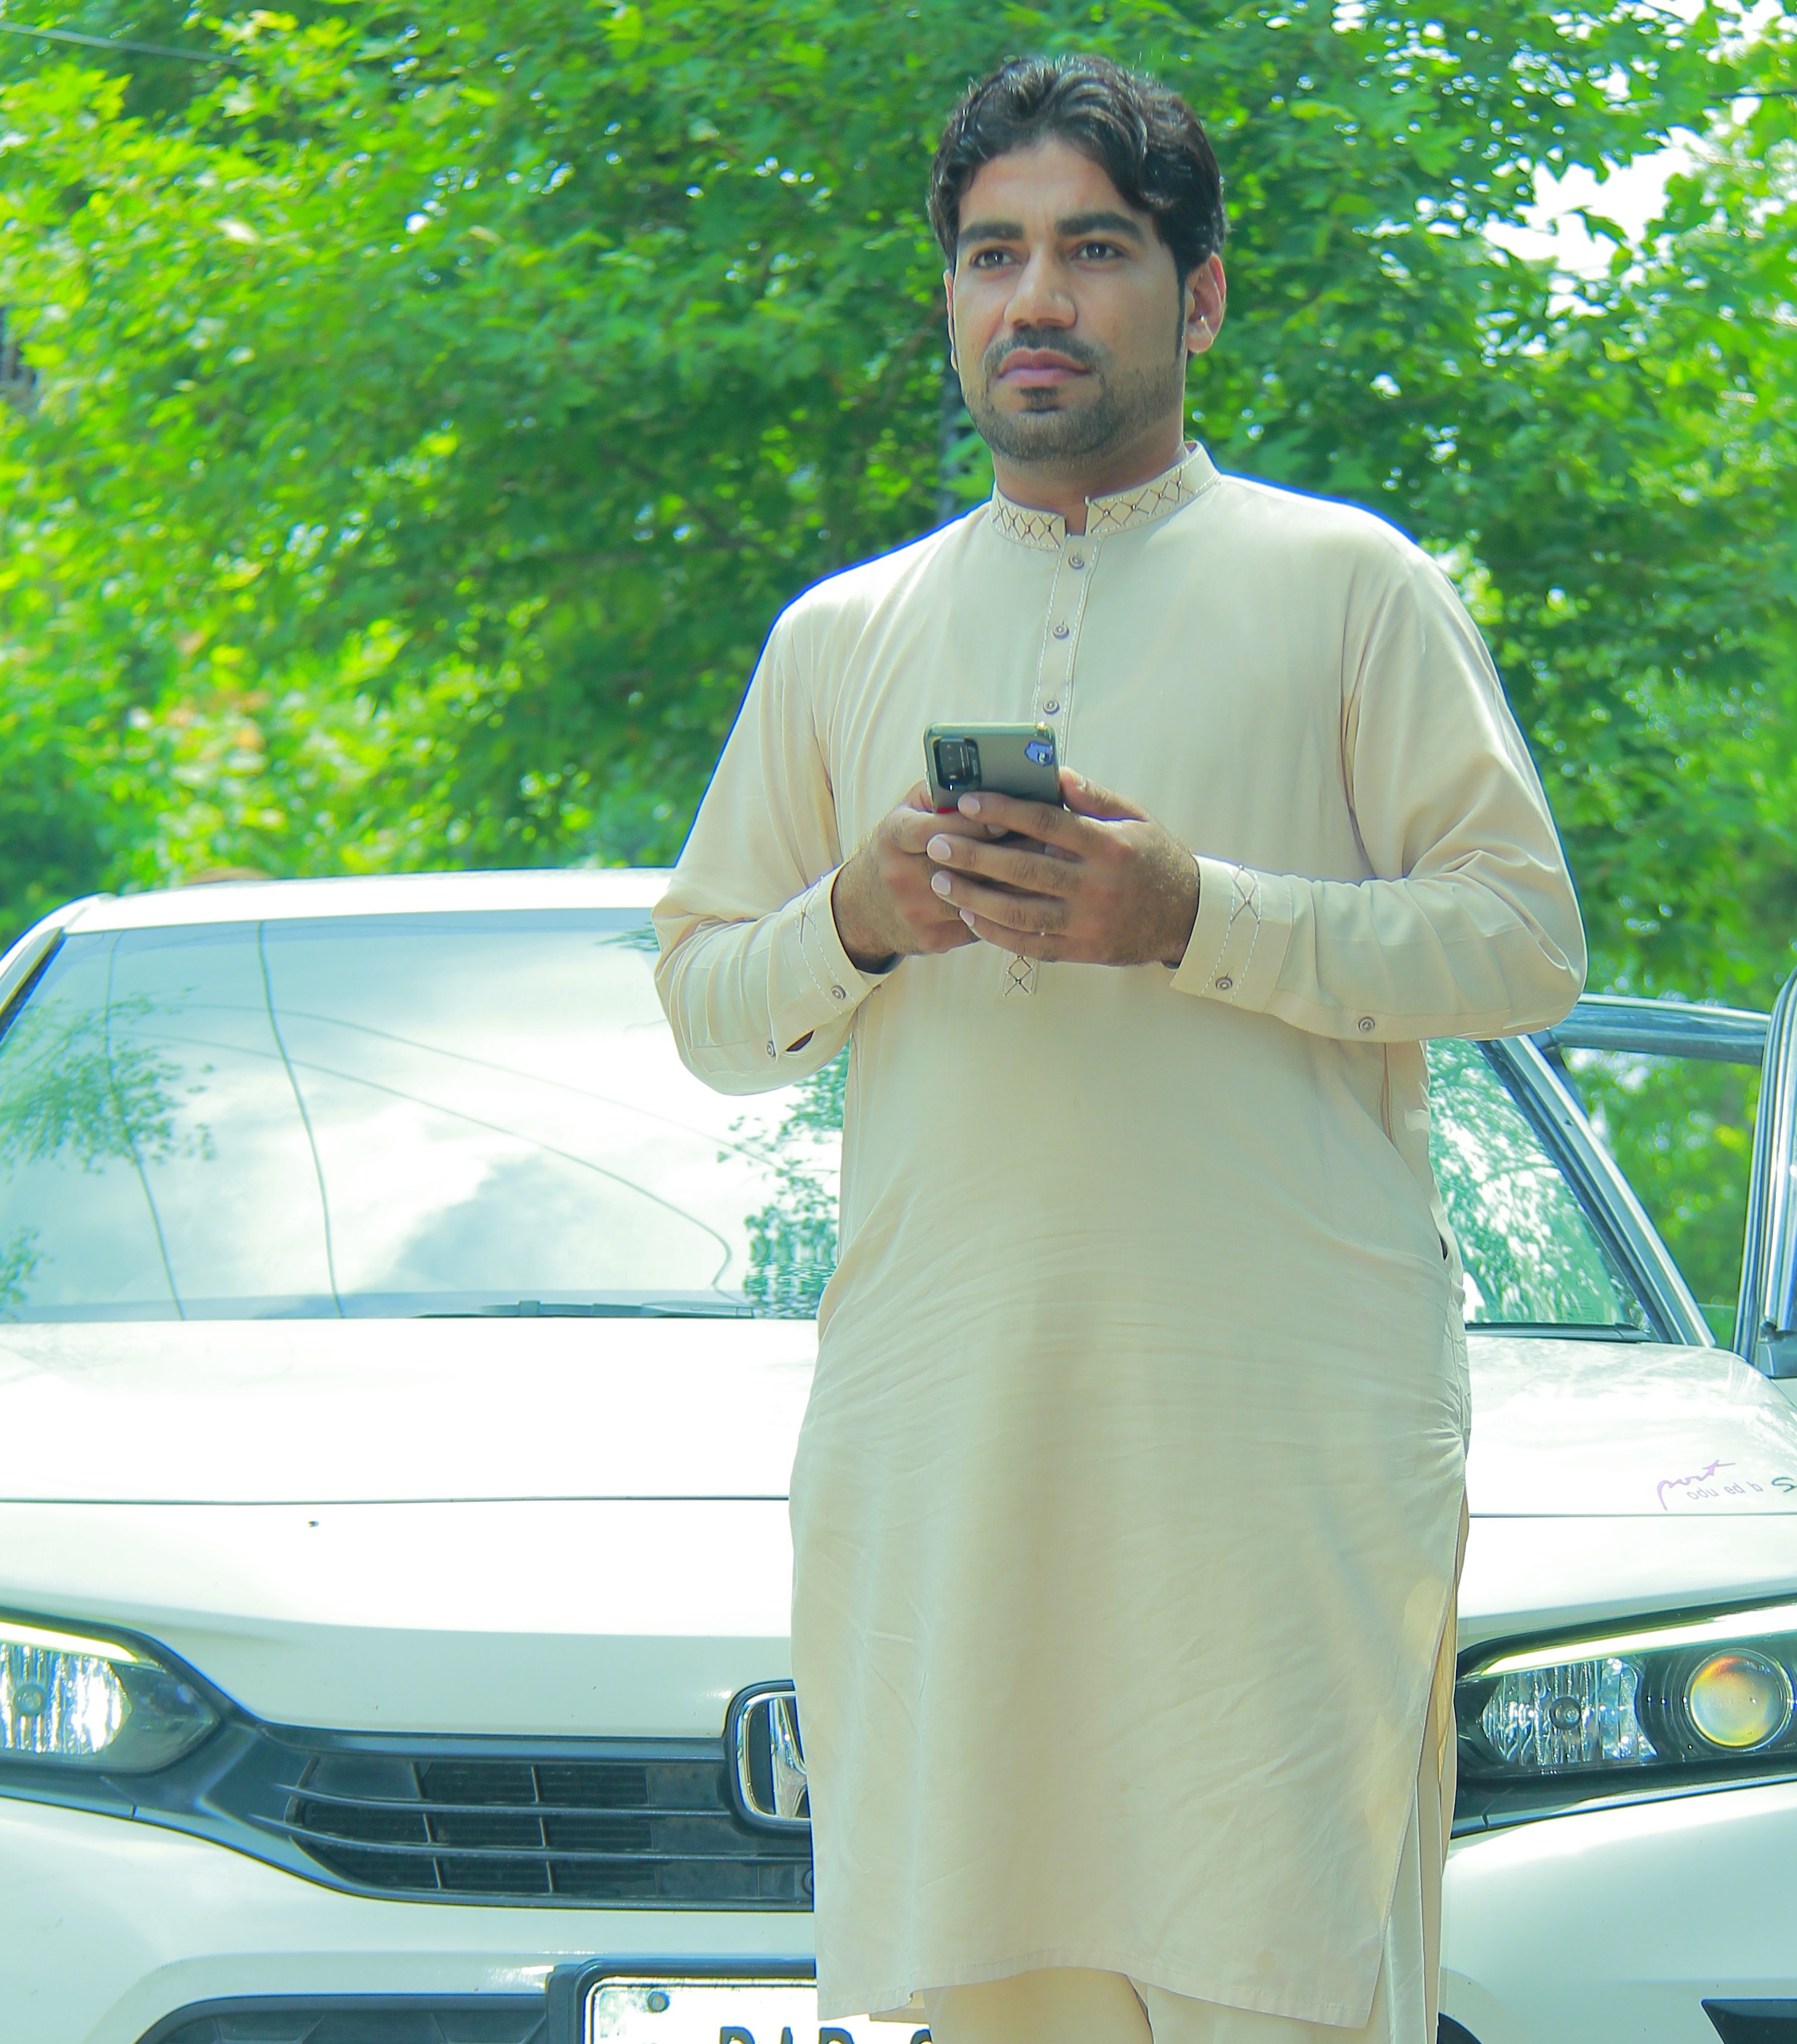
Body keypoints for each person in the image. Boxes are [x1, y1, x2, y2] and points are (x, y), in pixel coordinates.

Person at [653, 53, 1585, 2044]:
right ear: (949, 300)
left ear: (1201, 294)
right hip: (950, 1431)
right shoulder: (844, 635)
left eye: (1093, 250)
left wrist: (1193, 918)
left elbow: (1522, 942)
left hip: (1279, 1436)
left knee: (1285, 1976)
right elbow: (709, 1002)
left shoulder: (1353, 588)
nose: (1037, 300)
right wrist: (860, 916)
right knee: (999, 1981)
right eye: (993, 257)